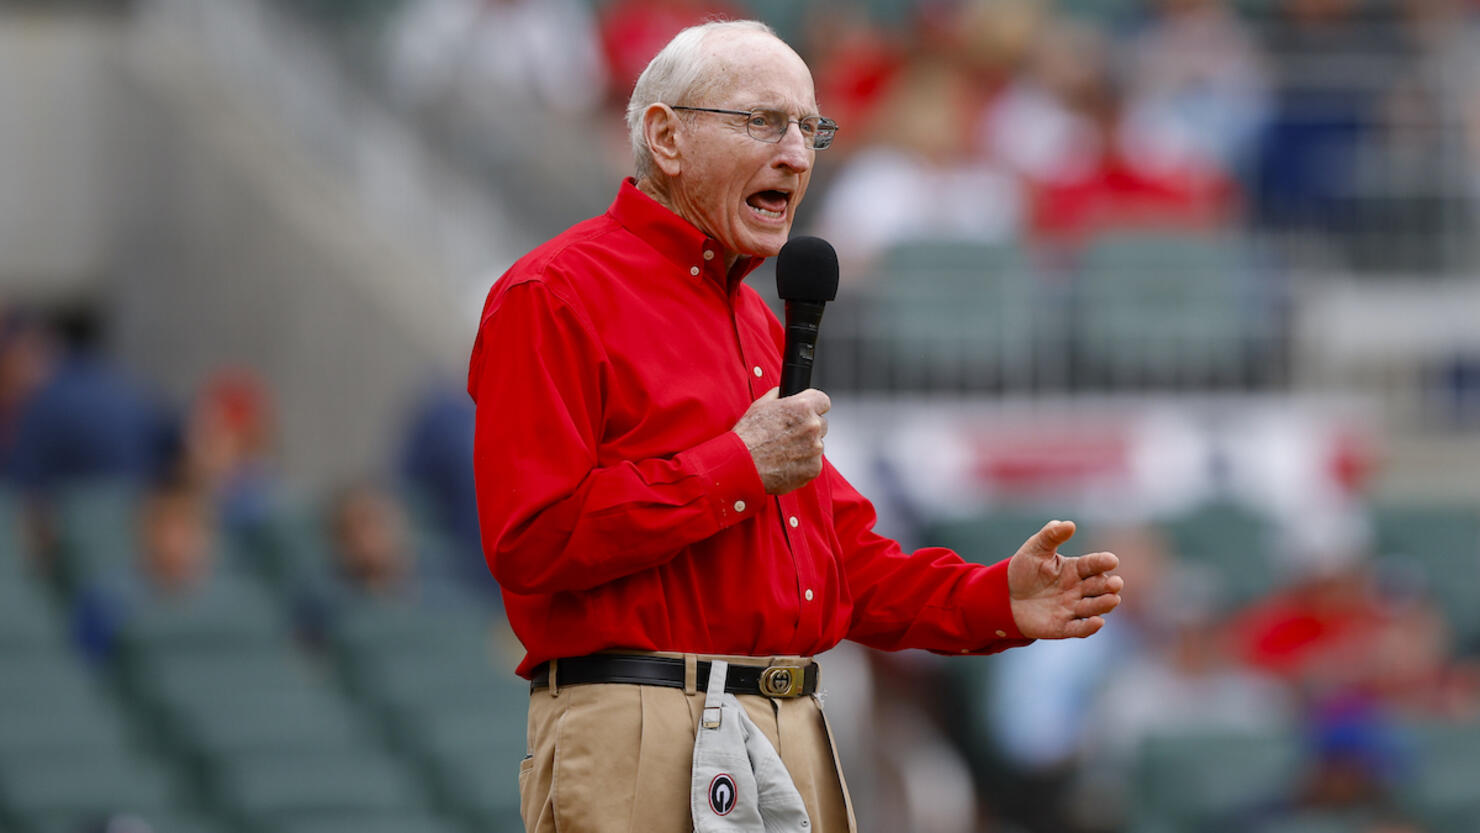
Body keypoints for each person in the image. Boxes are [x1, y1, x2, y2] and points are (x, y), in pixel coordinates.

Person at [466, 20, 1124, 833]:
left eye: (810, 127)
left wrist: (993, 598)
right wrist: (735, 466)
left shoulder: (759, 318)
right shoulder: (554, 294)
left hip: (791, 727)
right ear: (666, 137)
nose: (798, 154)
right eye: (762, 122)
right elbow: (531, 538)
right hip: (639, 722)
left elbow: (838, 563)